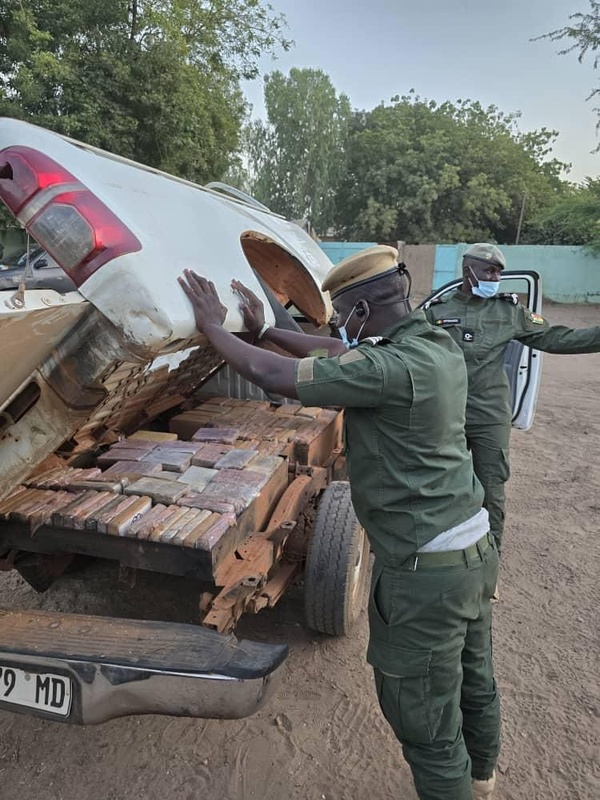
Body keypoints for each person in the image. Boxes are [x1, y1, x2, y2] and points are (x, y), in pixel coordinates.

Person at [179, 245, 500, 800]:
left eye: (342, 313)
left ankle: (457, 786)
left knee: (427, 726)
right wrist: (264, 332)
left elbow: (272, 376)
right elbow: (333, 349)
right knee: (475, 679)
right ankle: (484, 777)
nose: (338, 325)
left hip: (425, 575)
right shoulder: (433, 344)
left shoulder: (385, 368)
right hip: (472, 551)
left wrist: (214, 328)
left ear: (357, 311)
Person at [423, 243, 600, 556]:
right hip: (446, 415)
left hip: (489, 416)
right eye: (489, 270)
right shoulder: (437, 311)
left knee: (491, 490)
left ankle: (488, 563)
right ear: (469, 271)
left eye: (499, 272)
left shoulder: (510, 312)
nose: (495, 277)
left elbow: (559, 337)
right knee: (441, 486)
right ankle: (441, 556)